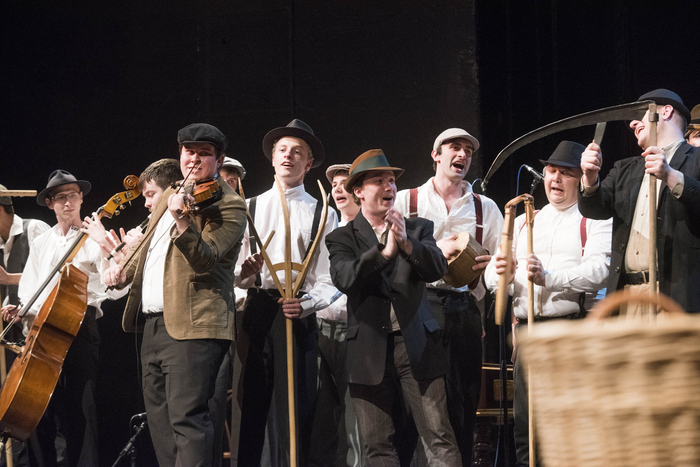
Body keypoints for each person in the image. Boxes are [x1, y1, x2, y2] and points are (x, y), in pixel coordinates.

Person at [102, 123, 247, 467]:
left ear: (219, 159)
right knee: (160, 424)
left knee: (187, 419)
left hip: (194, 327)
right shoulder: (170, 194)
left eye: (204, 154)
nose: (193, 159)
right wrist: (122, 271)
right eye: (188, 152)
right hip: (153, 325)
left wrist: (182, 218)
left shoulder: (230, 205)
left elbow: (206, 260)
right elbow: (148, 249)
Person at [326, 149, 462, 466]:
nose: (389, 187)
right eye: (379, 181)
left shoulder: (417, 228)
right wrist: (384, 253)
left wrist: (407, 244)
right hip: (367, 349)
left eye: (391, 181)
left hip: (416, 343)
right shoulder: (341, 238)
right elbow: (344, 278)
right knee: (377, 446)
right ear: (359, 191)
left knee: (438, 438)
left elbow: (437, 268)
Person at [484, 141, 612, 467]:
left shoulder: (594, 219)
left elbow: (600, 271)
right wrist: (500, 274)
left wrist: (548, 277)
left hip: (573, 331)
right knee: (527, 426)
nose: (555, 178)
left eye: (565, 173)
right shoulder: (526, 220)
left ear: (580, 179)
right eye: (551, 171)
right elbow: (491, 277)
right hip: (529, 333)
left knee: (570, 424)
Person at [393, 128, 503, 465]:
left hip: (462, 307)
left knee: (461, 402)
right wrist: (432, 249)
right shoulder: (407, 200)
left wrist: (489, 267)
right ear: (436, 155)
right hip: (418, 305)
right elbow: (388, 253)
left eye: (468, 150)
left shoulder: (485, 208)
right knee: (413, 404)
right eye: (455, 147)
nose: (463, 155)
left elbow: (499, 263)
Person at [234, 119, 338, 466]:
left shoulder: (322, 212)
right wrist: (245, 275)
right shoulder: (249, 206)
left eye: (297, 152)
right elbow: (234, 274)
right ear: (272, 158)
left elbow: (329, 277)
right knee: (253, 404)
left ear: (309, 164)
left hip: (298, 312)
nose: (288, 156)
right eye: (282, 150)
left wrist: (308, 304)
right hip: (259, 310)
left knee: (297, 404)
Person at [2, 170, 108, 467]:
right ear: (50, 203)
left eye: (73, 195)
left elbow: (112, 287)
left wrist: (105, 246)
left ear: (81, 198)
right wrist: (22, 309)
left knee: (80, 411)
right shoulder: (42, 241)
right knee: (38, 412)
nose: (68, 202)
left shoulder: (93, 237)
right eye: (60, 197)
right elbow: (30, 288)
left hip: (79, 328)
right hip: (42, 331)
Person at [578, 89, 700, 314]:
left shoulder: (696, 159)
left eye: (639, 114)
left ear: (666, 111)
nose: (633, 123)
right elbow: (594, 209)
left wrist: (670, 175)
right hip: (629, 297)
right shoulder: (625, 168)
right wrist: (589, 177)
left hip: (677, 297)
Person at [309, 163, 363, 466]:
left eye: (345, 183)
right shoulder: (326, 228)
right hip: (322, 329)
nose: (338, 189)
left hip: (356, 333)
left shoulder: (368, 231)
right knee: (323, 417)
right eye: (334, 185)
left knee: (355, 419)